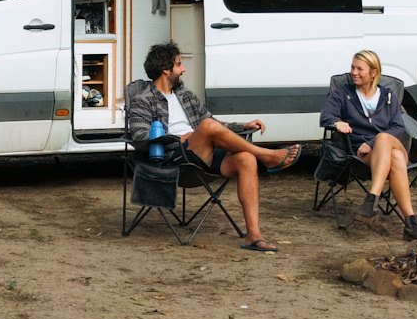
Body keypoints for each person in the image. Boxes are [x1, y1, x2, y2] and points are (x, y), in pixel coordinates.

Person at [126, 42, 298, 252]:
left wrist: (242, 126)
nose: (184, 69)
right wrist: (178, 138)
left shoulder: (185, 95)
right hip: (173, 160)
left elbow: (213, 124)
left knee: (246, 159)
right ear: (166, 70)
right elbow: (140, 137)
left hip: (202, 155)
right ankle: (268, 156)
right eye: (179, 64)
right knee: (207, 128)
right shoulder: (142, 100)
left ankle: (253, 236)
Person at [319, 49, 417, 241]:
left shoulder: (388, 96)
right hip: (360, 155)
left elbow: (399, 128)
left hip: (387, 144)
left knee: (384, 138)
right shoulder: (343, 94)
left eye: (360, 69)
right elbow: (326, 116)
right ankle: (412, 222)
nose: (353, 72)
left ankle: (371, 199)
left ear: (373, 73)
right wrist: (337, 122)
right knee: (396, 158)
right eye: (352, 67)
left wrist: (372, 142)